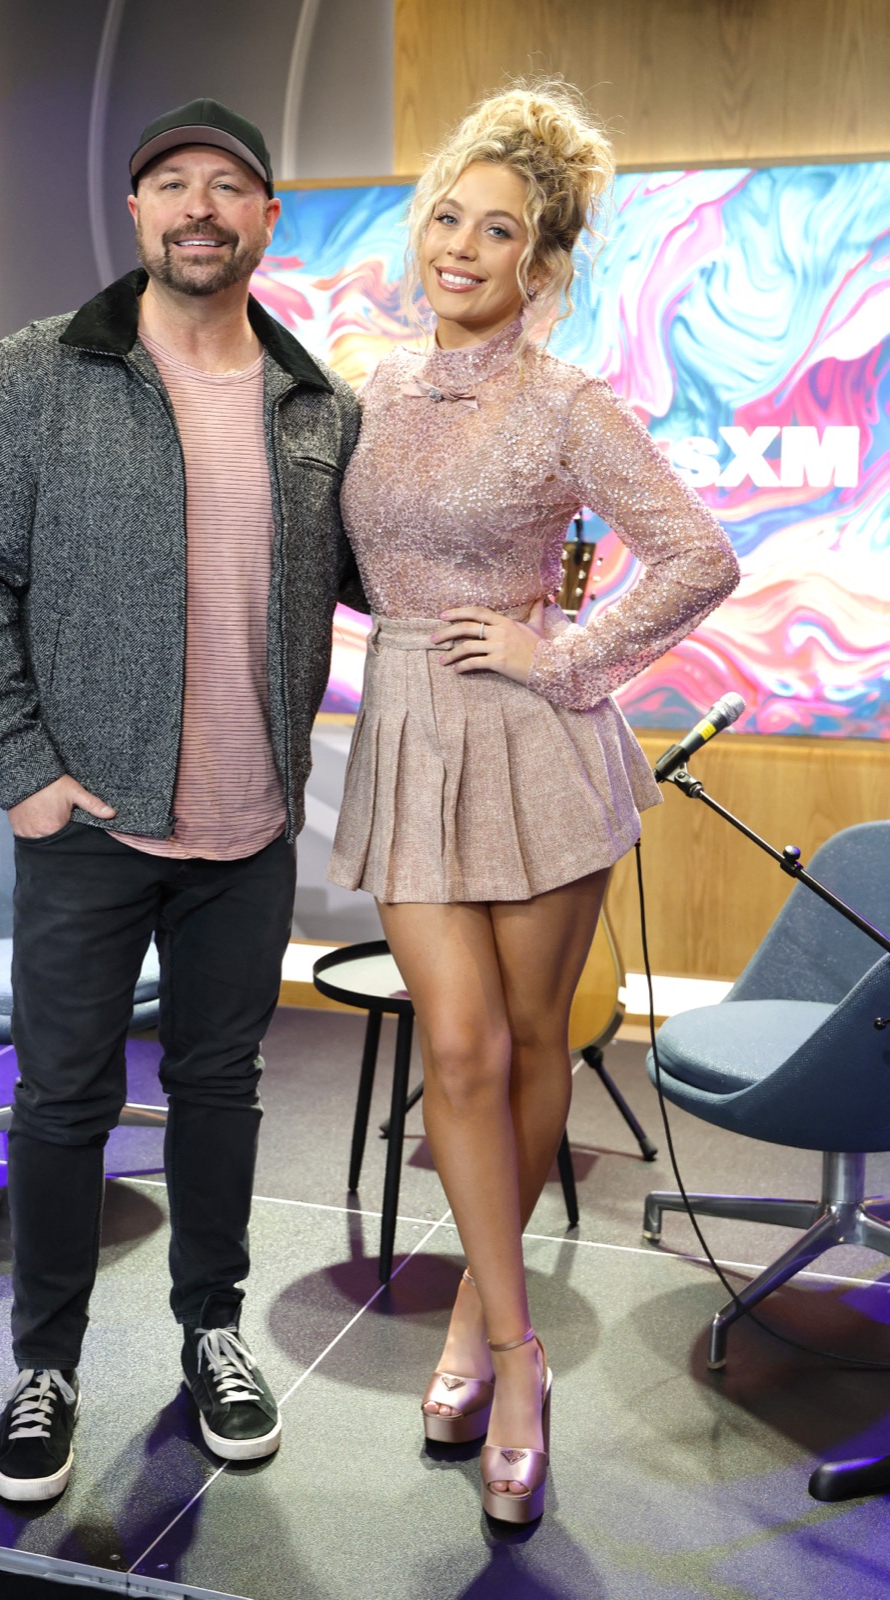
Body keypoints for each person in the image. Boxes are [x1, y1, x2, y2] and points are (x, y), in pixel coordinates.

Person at [0, 98, 361, 1502]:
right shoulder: (37, 373)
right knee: (62, 1101)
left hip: (250, 825)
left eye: (228, 186)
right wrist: (23, 774)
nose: (199, 207)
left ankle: (212, 1334)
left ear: (267, 218)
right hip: (91, 822)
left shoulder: (317, 404)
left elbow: (382, 571)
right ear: (136, 210)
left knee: (220, 1092)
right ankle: (44, 1366)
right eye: (172, 182)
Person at [328, 80, 739, 1524]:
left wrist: (558, 653)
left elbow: (697, 556)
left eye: (495, 230)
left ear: (540, 263)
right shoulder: (370, 385)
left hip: (535, 747)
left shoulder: (568, 403)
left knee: (523, 1043)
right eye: (446, 216)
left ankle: (477, 1326)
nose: (460, 246)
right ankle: (519, 1352)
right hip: (406, 736)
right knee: (454, 1047)